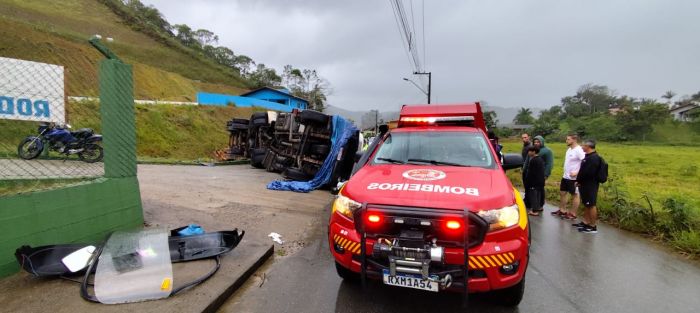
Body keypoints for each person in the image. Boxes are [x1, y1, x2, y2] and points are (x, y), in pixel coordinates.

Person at [552, 134, 585, 220]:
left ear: (574, 140)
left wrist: (577, 173)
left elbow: (585, 162)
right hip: (566, 176)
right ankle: (562, 210)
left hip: (574, 178)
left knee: (575, 195)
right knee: (563, 193)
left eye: (568, 139)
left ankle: (573, 213)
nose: (566, 141)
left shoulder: (579, 150)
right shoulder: (569, 149)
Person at [573, 139, 602, 234]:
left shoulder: (594, 158)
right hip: (584, 184)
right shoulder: (588, 156)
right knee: (586, 204)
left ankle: (593, 226)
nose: (581, 147)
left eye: (583, 145)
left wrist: (580, 180)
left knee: (591, 205)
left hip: (590, 185)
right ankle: (586, 222)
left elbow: (589, 173)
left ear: (588, 147)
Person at [532, 136, 553, 211]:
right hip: (534, 174)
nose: (536, 143)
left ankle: (540, 205)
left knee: (540, 190)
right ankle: (534, 204)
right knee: (535, 190)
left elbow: (549, 163)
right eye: (535, 142)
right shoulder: (533, 150)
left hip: (541, 174)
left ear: (542, 142)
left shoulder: (547, 151)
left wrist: (546, 174)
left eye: (538, 142)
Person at [523, 146, 545, 216]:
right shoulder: (540, 159)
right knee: (538, 194)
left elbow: (531, 172)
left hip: (533, 181)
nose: (528, 152)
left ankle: (534, 211)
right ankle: (538, 207)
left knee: (533, 195)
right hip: (540, 181)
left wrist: (527, 181)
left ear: (534, 152)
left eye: (529, 151)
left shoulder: (533, 160)